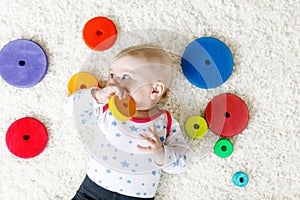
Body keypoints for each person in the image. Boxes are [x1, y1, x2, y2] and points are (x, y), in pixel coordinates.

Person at [66, 45, 190, 200]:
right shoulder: (105, 106)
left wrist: (161, 154)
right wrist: (97, 96)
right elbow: (71, 110)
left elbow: (183, 161)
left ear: (155, 91)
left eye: (125, 77)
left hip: (136, 196)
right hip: (92, 190)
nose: (113, 83)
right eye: (111, 75)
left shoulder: (165, 121)